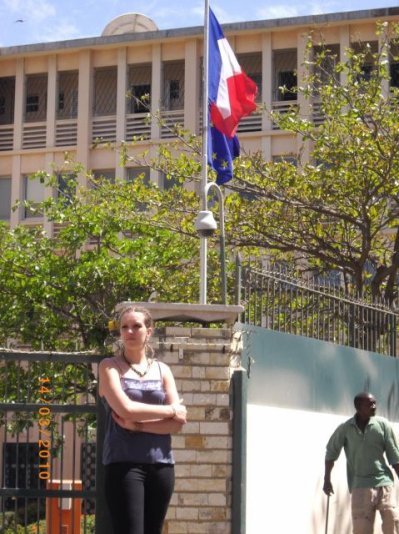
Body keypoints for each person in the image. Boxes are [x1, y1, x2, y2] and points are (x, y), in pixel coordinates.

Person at [99, 304, 187, 534]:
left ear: (149, 331)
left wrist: (137, 426)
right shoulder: (109, 367)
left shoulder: (162, 370)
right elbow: (126, 409)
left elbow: (178, 423)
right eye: (124, 327)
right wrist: (170, 410)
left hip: (161, 465)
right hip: (124, 465)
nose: (129, 331)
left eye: (136, 326)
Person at [323, 392, 399, 534]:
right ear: (358, 406)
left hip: (384, 484)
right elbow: (331, 453)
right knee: (361, 531)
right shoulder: (345, 429)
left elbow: (395, 457)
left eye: (375, 403)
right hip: (360, 486)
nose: (374, 406)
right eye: (370, 403)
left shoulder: (383, 425)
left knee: (392, 524)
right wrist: (327, 479)